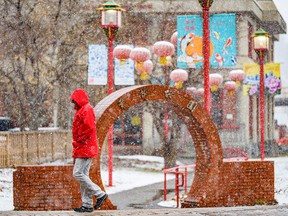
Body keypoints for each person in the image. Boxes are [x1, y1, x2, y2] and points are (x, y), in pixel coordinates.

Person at [70, 88, 108, 213]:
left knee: (78, 173)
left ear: (79, 99)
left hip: (85, 147)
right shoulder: (84, 109)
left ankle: (99, 194)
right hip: (85, 146)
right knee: (83, 175)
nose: (74, 104)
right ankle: (87, 204)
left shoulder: (86, 109)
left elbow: (89, 128)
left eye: (74, 101)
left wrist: (79, 139)